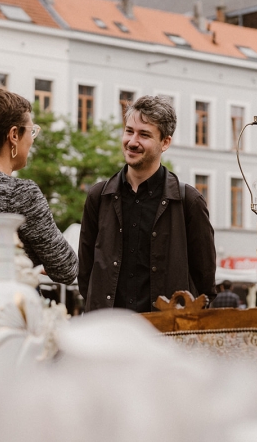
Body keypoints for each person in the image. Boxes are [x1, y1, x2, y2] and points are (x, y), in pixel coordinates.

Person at [78, 95, 216, 313]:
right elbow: (85, 274)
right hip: (109, 336)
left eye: (144, 135)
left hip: (166, 338)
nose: (132, 141)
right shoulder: (98, 196)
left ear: (165, 142)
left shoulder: (189, 202)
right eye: (129, 131)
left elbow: (205, 285)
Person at [0, 88, 78, 285]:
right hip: (11, 310)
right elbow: (66, 268)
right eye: (31, 131)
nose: (32, 139)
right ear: (14, 134)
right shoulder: (21, 194)